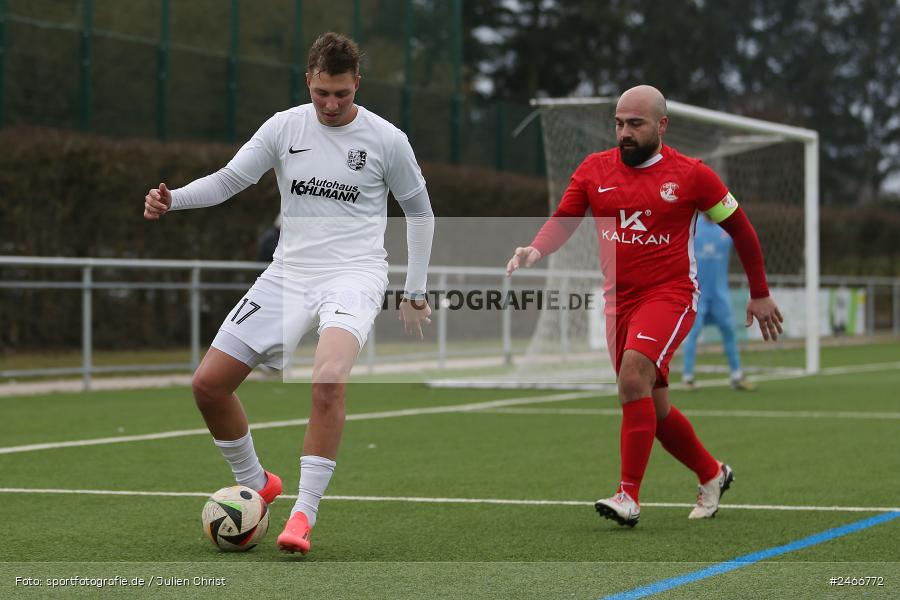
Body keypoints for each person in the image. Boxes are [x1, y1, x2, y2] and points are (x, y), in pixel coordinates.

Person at [143, 32, 435, 553]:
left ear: (357, 85)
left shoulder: (388, 140)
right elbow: (232, 179)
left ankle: (303, 514)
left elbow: (420, 213)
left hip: (355, 274)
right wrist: (174, 200)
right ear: (309, 81)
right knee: (209, 385)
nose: (330, 104)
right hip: (287, 274)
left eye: (341, 94)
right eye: (322, 92)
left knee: (327, 382)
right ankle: (258, 485)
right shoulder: (285, 126)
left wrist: (415, 289)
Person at [506, 85, 782, 527]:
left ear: (661, 125)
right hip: (619, 301)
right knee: (654, 409)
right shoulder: (594, 170)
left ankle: (627, 496)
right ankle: (712, 474)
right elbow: (565, 218)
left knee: (633, 374)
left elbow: (743, 230)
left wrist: (760, 291)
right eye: (619, 123)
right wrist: (535, 250)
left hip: (671, 295)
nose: (625, 132)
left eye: (635, 123)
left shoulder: (693, 175)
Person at [680, 214, 756, 391]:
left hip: (720, 294)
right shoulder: (692, 227)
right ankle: (687, 377)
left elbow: (745, 239)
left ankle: (737, 375)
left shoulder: (726, 229)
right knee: (693, 333)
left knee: (729, 332)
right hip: (697, 294)